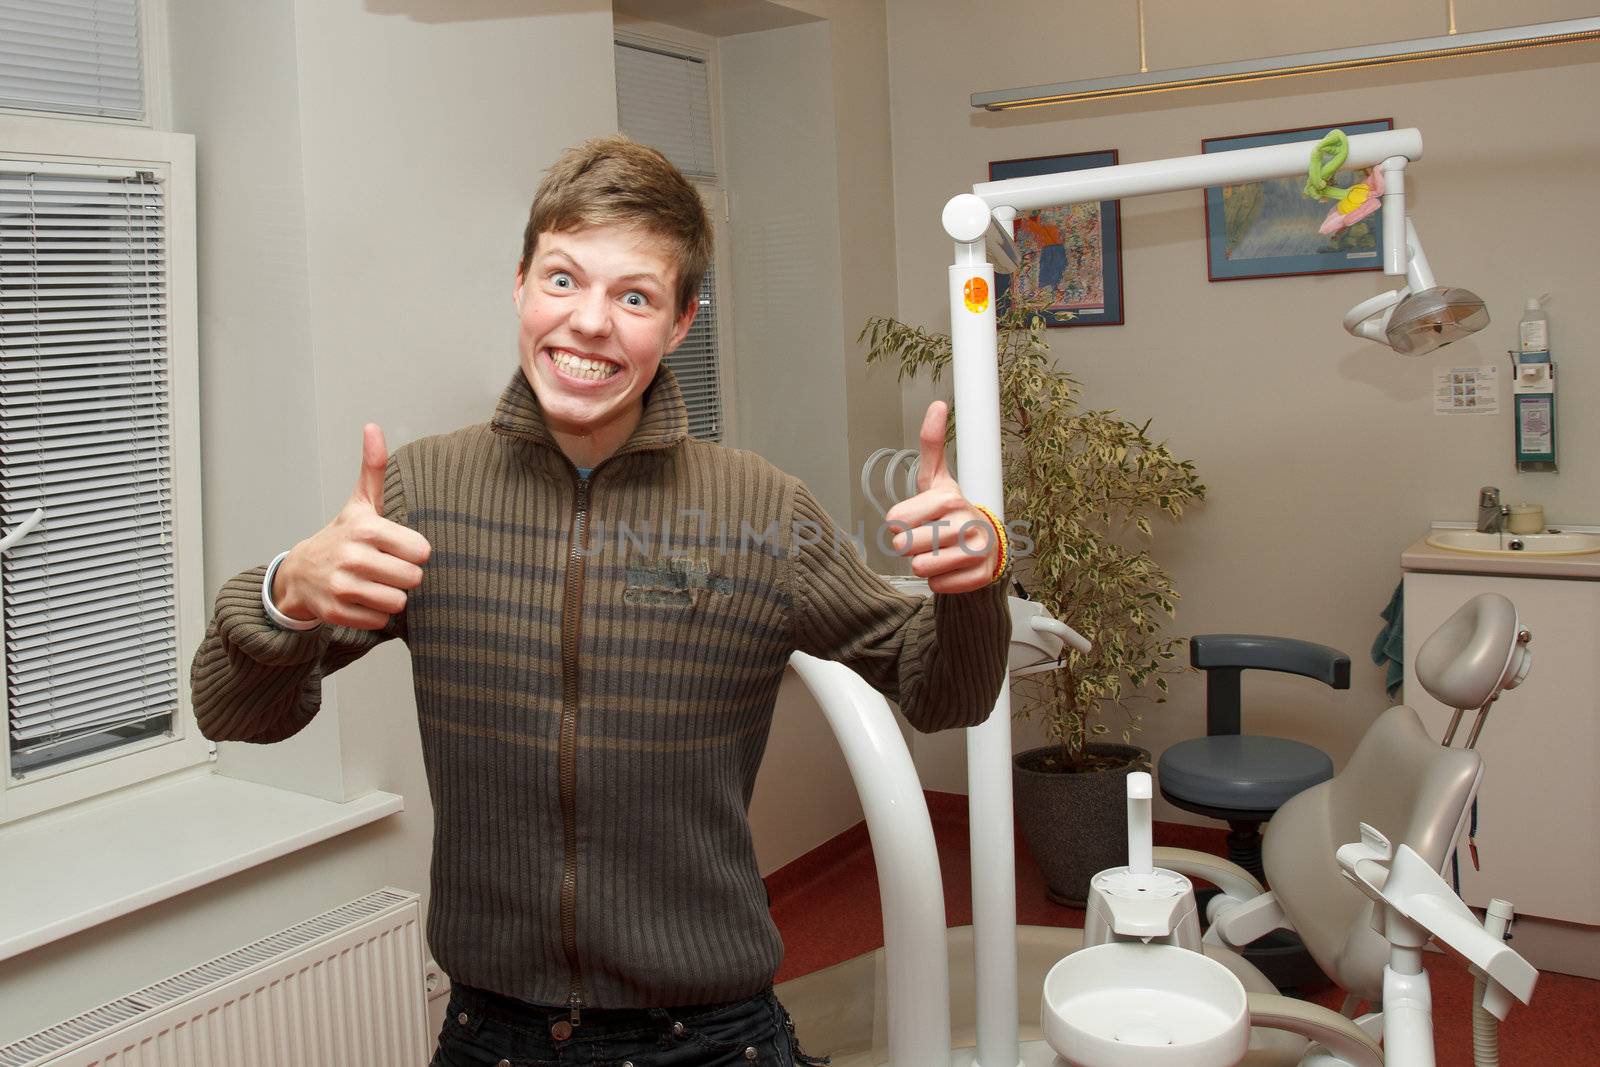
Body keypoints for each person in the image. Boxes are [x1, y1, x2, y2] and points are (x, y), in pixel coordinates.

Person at [190, 135, 1011, 1067]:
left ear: (681, 322)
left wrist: (972, 588)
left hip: (708, 1037)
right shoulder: (423, 494)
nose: (588, 323)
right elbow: (233, 712)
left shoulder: (761, 509)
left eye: (633, 296)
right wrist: (282, 595)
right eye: (563, 280)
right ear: (519, 286)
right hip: (491, 1035)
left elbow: (947, 691)